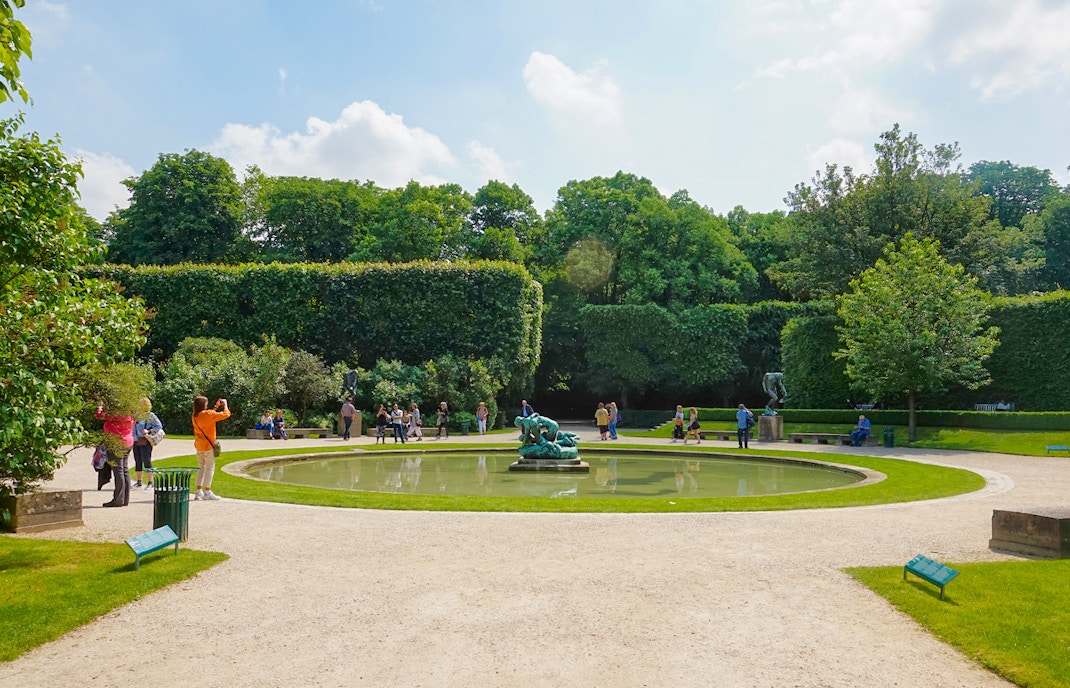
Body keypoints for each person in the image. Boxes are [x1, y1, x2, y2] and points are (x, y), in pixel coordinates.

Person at [191, 396, 230, 501]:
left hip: (199, 445)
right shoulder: (208, 414)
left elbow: (208, 417)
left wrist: (215, 408)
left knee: (201, 467)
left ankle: (199, 491)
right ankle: (207, 491)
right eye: (206, 402)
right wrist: (225, 405)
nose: (207, 403)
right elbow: (226, 414)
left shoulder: (195, 416)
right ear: (202, 404)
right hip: (208, 445)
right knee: (209, 468)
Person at [96, 403, 135, 507]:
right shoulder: (131, 415)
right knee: (124, 470)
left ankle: (118, 499)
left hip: (116, 443)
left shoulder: (117, 415)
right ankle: (124, 499)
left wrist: (100, 406)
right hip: (128, 442)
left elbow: (99, 415)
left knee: (118, 471)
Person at [132, 397, 163, 490]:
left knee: (147, 460)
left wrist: (149, 431)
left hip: (145, 440)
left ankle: (150, 482)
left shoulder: (150, 416)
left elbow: (159, 426)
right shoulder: (136, 415)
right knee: (137, 460)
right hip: (136, 440)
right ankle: (139, 482)